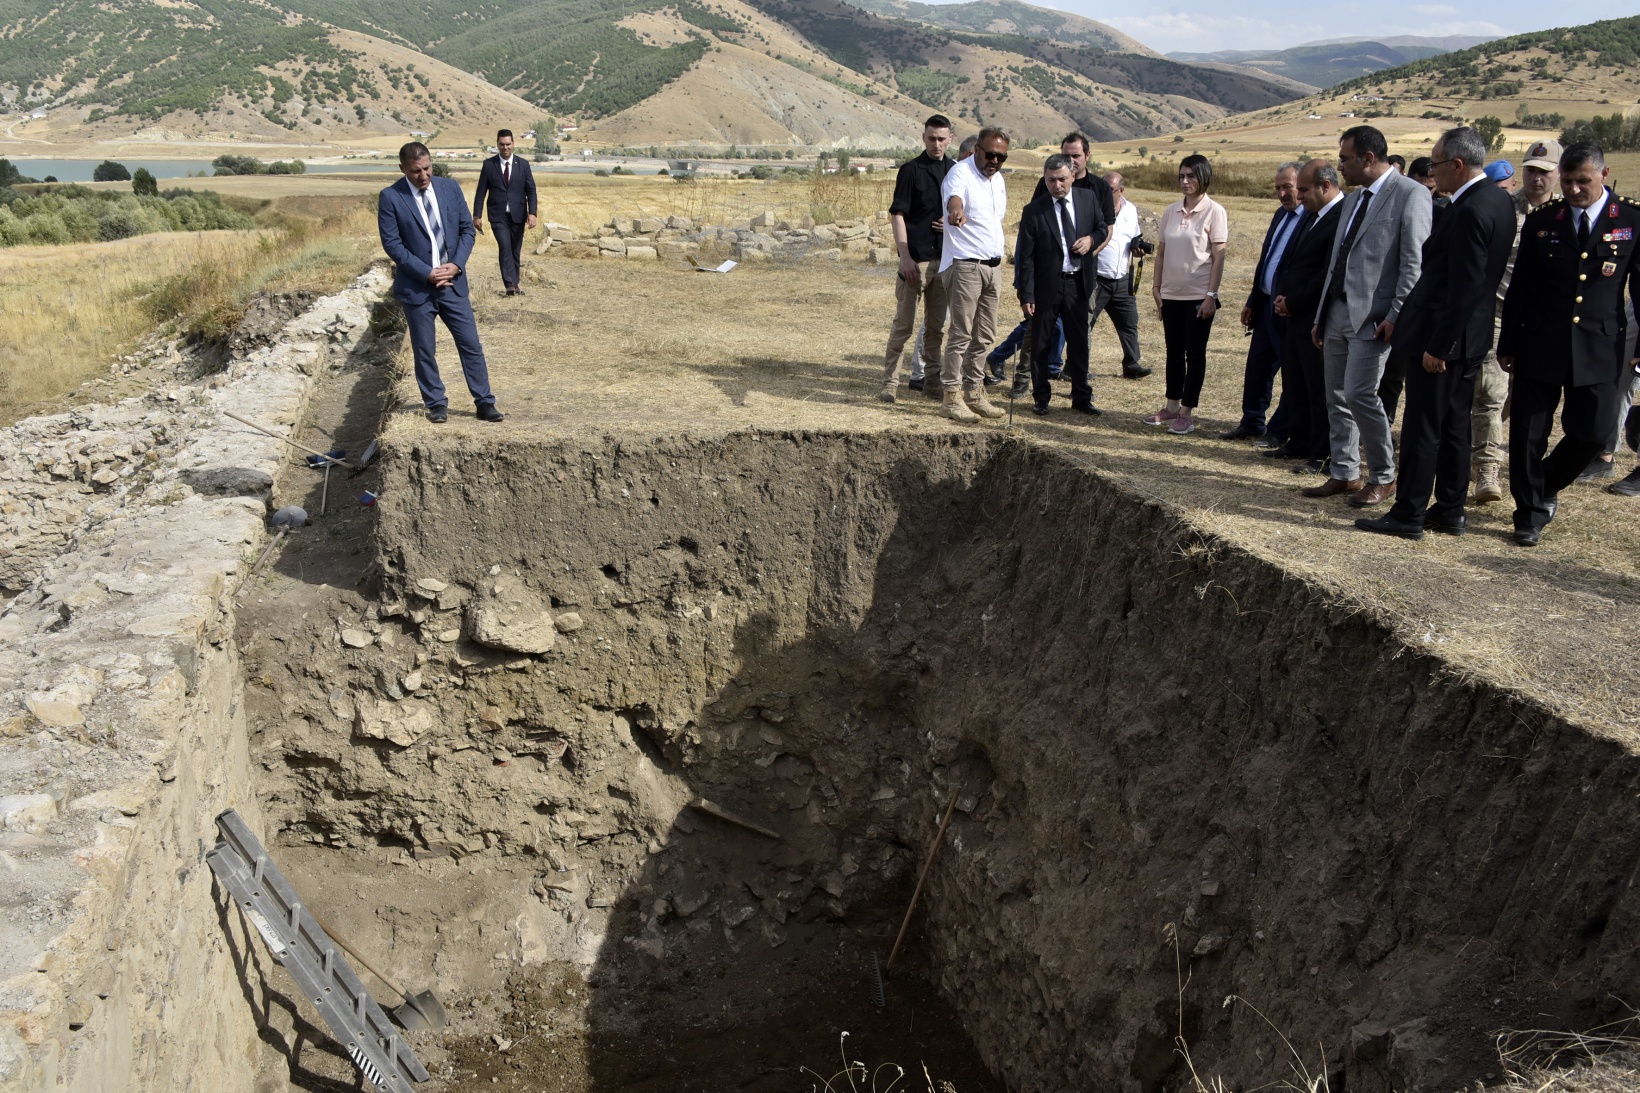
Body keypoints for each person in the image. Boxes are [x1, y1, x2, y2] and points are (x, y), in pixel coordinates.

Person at [1357, 127, 1516, 540]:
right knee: (1454, 427)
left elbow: (1464, 288)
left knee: (1424, 429)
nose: (1434, 172)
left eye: (1439, 165)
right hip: (1469, 338)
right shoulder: (1497, 200)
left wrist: (1438, 345)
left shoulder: (1470, 211)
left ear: (1458, 166)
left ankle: (1408, 512)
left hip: (1444, 339)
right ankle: (1449, 510)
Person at [1498, 141, 1640, 546]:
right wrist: (1509, 341)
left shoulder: (1630, 218)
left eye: (1584, 181)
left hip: (1599, 346)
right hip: (1540, 342)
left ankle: (1541, 485)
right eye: (1569, 180)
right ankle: (1528, 513)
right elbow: (1521, 287)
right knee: (1528, 433)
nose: (1575, 189)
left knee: (1594, 433)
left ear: (1604, 174)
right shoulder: (1547, 219)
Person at [1304, 125, 1432, 505]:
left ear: (1368, 158)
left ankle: (1384, 475)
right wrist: (1321, 313)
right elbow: (1337, 260)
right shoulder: (1355, 199)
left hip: (1374, 319)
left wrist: (1397, 313)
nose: (1340, 166)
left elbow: (1414, 263)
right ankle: (1345, 472)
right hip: (1337, 312)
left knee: (1361, 394)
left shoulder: (1411, 195)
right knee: (1336, 397)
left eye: (1345, 159)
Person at [378, 142, 503, 424]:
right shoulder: (390, 197)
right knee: (424, 349)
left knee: (471, 344)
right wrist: (426, 272)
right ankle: (435, 403)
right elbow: (393, 244)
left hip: (453, 285)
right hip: (418, 288)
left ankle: (484, 402)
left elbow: (466, 230)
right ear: (402, 169)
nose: (423, 176)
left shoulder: (450, 188)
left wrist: (456, 265)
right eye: (415, 172)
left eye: (427, 168)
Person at [1471, 138, 1562, 504]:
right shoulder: (1504, 209)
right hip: (1497, 315)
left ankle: (1474, 448)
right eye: (1530, 170)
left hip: (1543, 324)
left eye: (1544, 172)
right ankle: (1488, 470)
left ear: (1557, 173)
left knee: (1519, 401)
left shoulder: (1565, 215)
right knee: (1490, 395)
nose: (1536, 178)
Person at [1015, 154, 1108, 416]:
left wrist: (1091, 240)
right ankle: (1041, 397)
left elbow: (1102, 228)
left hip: (1079, 284)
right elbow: (1027, 257)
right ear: (1045, 179)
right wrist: (1027, 292)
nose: (1057, 185)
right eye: (1051, 180)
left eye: (1062, 179)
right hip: (1047, 287)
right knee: (1041, 345)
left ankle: (1081, 397)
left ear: (1073, 176)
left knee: (1079, 343)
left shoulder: (1087, 199)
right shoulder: (1034, 210)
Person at [1267, 160, 1344, 473]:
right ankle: (1298, 441)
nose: (1297, 196)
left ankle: (1322, 452)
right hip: (1294, 316)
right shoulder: (1313, 216)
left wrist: (1295, 301)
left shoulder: (1340, 217)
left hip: (1315, 316)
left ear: (1325, 186)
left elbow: (1327, 272)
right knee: (1295, 382)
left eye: (1303, 189)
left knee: (1318, 388)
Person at [1146, 154, 1228, 436]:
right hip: (1171, 295)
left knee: (1194, 354)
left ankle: (1187, 412)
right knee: (1173, 353)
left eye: (1191, 176)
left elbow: (1219, 258)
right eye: (1181, 175)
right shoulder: (1170, 211)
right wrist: (1156, 288)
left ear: (1203, 176)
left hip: (1198, 296)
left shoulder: (1215, 212)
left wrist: (1211, 295)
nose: (1185, 181)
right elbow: (1161, 254)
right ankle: (1171, 406)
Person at [1223, 163, 1303, 440]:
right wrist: (1253, 300)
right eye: (1278, 188)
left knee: (1291, 373)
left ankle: (1279, 430)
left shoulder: (1311, 219)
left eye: (1287, 187)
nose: (1282, 193)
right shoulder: (1281, 215)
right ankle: (1252, 422)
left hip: (1288, 310)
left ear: (1301, 185)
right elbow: (1266, 262)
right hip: (1265, 304)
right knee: (1257, 367)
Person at [939, 127, 1011, 423]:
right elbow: (953, 201)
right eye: (990, 154)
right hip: (965, 263)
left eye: (1001, 156)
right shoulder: (960, 173)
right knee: (961, 333)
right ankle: (951, 397)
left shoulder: (999, 180)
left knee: (985, 334)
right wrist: (956, 213)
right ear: (976, 150)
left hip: (993, 266)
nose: (994, 160)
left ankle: (974, 392)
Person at [879, 115, 953, 404]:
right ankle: (890, 383)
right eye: (932, 138)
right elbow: (898, 214)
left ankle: (933, 384)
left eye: (942, 138)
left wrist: (953, 223)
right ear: (923, 137)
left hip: (944, 259)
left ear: (950, 138)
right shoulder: (911, 170)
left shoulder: (955, 171)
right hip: (916, 260)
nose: (937, 143)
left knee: (936, 328)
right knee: (904, 326)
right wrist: (905, 256)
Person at [1091, 171, 1150, 380]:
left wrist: (1137, 249)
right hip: (1097, 278)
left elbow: (1133, 237)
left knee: (1129, 322)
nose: (1105, 193)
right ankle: (1075, 367)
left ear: (1121, 190)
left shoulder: (1131, 210)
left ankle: (1132, 364)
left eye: (1110, 190)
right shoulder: (1093, 208)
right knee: (1085, 323)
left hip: (1122, 278)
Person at [472, 130, 538, 296]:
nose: (505, 147)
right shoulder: (489, 165)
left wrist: (533, 213)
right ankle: (509, 283)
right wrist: (477, 215)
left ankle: (515, 284)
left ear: (513, 144)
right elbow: (481, 192)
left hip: (518, 214)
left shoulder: (523, 165)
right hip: (498, 216)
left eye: (508, 144)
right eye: (502, 144)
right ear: (497, 144)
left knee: (516, 249)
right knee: (505, 246)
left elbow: (531, 190)